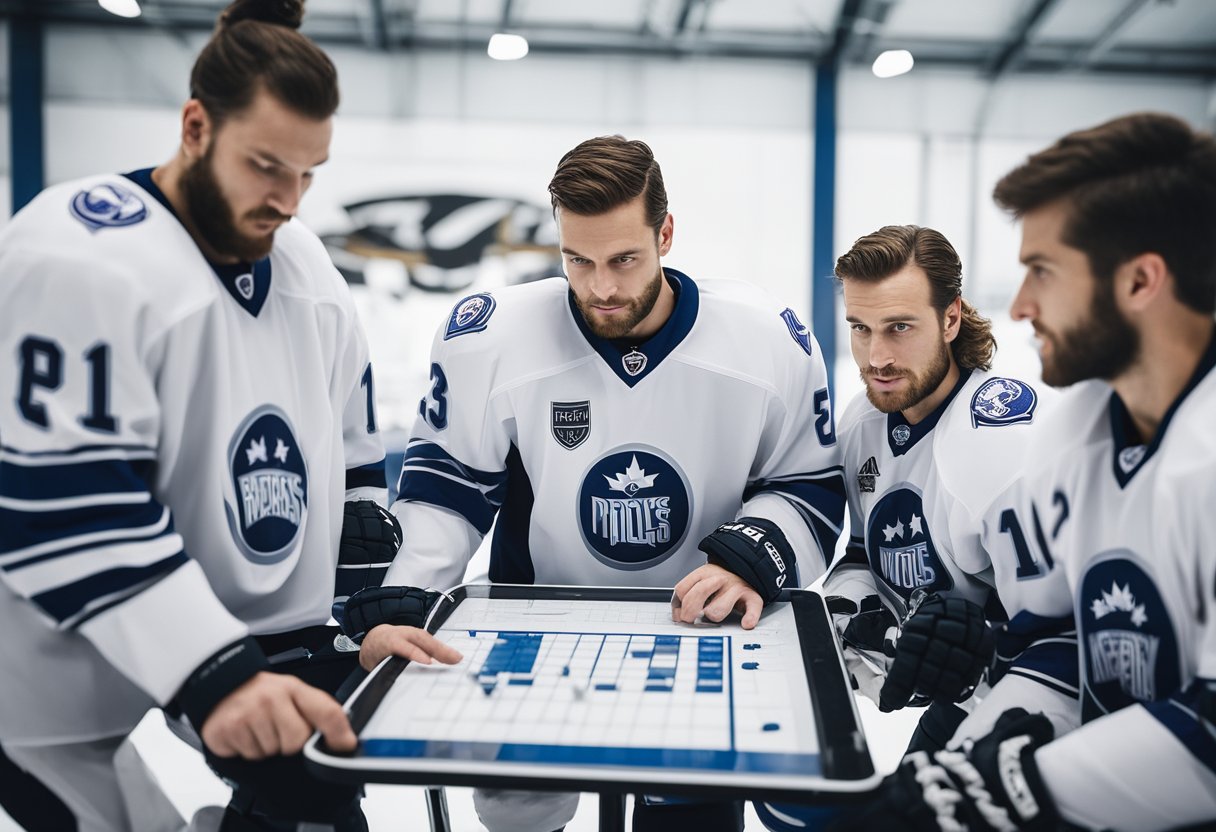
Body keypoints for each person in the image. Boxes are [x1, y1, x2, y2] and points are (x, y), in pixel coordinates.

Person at [0, 2, 457, 830]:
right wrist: (216, 676)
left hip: (215, 626)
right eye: (266, 165)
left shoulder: (310, 275)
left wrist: (356, 636)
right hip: (38, 666)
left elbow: (347, 488)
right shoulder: (76, 253)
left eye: (310, 173)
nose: (288, 200)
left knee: (316, 796)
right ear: (195, 126)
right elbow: (68, 510)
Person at [354, 135, 846, 832]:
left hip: (699, 632)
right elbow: (448, 493)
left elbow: (810, 487)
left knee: (689, 819)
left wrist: (756, 556)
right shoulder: (492, 336)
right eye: (577, 261)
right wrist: (405, 605)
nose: (603, 288)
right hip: (534, 628)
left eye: (625, 259)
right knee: (520, 811)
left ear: (666, 233)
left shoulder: (765, 341)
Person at [832, 113, 1216, 832]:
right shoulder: (1082, 426)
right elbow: (1055, 643)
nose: (1018, 305)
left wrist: (1002, 784)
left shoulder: (1193, 456)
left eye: (1044, 270)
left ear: (1140, 280)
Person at [755, 226, 1078, 832]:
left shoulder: (999, 442)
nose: (876, 357)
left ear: (950, 319)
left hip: (1044, 715)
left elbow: (1068, 637)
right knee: (792, 808)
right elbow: (861, 548)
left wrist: (977, 648)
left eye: (900, 327)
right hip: (963, 701)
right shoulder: (863, 423)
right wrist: (854, 614)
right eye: (861, 328)